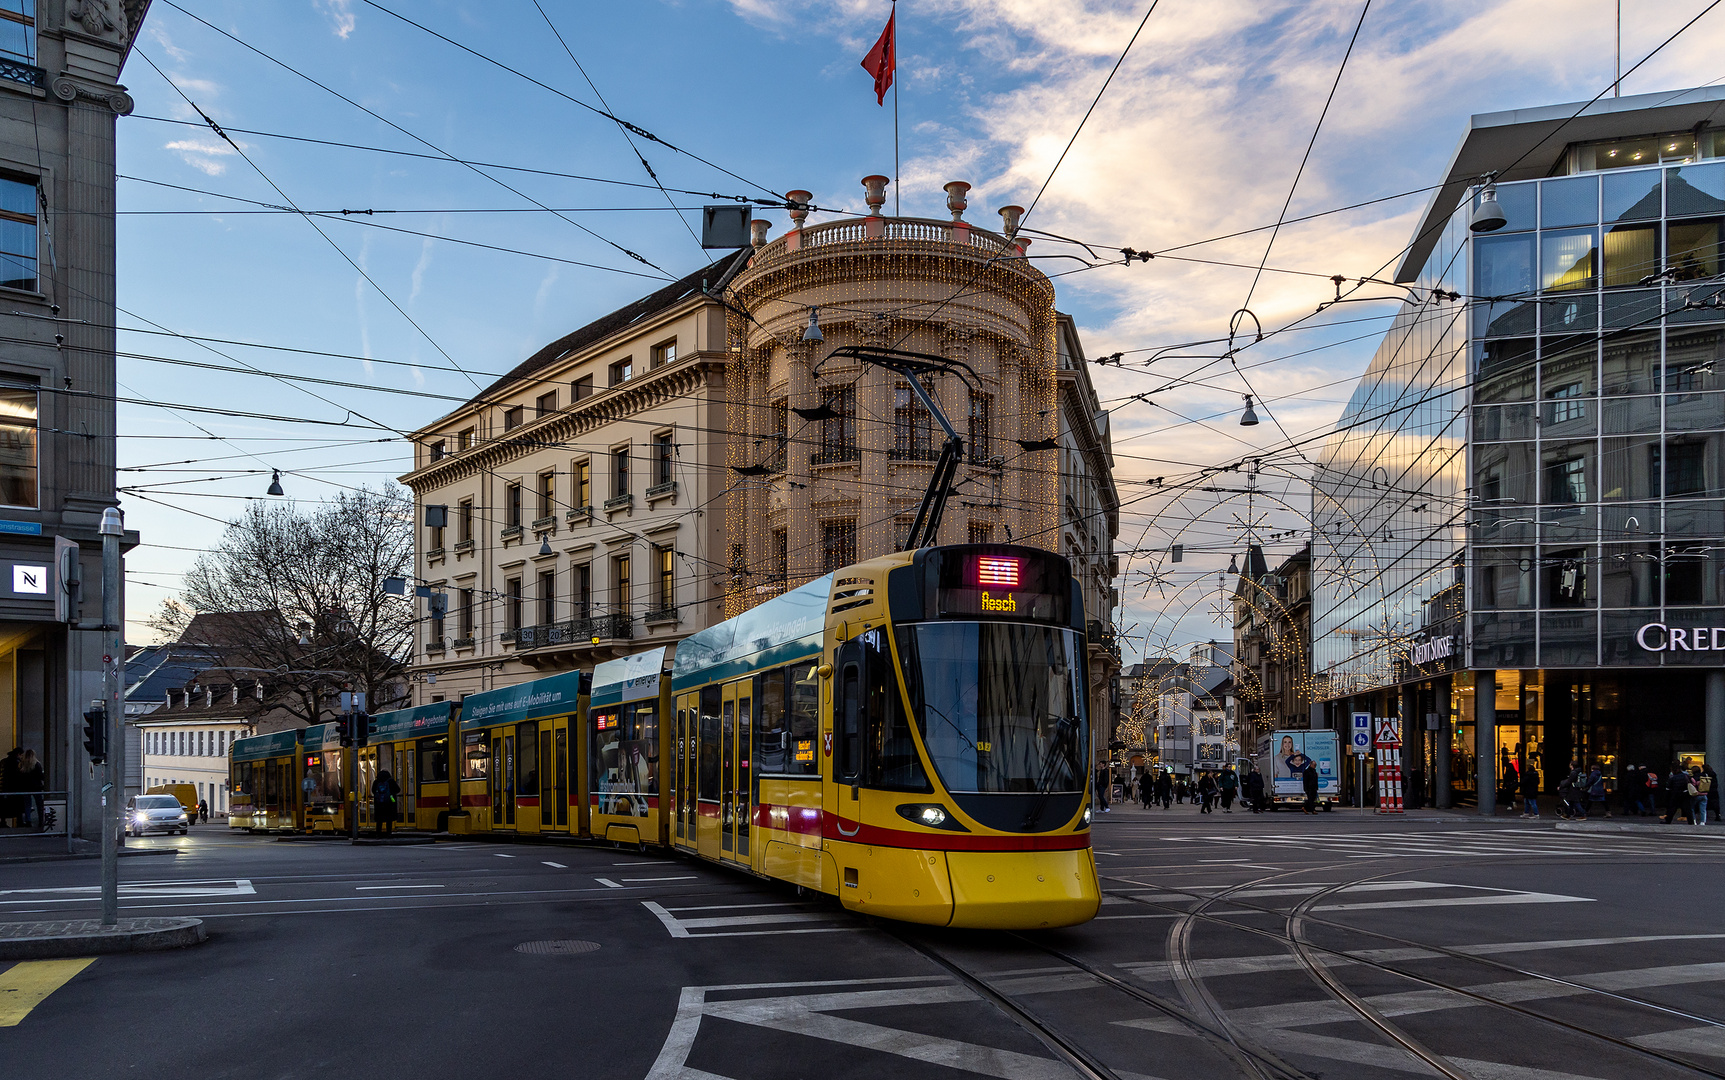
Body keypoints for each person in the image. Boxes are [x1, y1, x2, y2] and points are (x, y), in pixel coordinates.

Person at [18, 749, 44, 830]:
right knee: (39, 804)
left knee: (27, 805)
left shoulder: (22, 764)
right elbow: (41, 776)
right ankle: (41, 820)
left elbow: (20, 776)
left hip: (25, 787)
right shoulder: (36, 764)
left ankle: (28, 820)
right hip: (36, 787)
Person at [372, 769, 401, 836]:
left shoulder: (376, 782)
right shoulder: (391, 781)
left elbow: (373, 791)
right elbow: (398, 790)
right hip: (389, 803)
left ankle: (378, 834)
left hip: (379, 804)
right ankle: (388, 833)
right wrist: (391, 795)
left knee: (379, 820)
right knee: (389, 820)